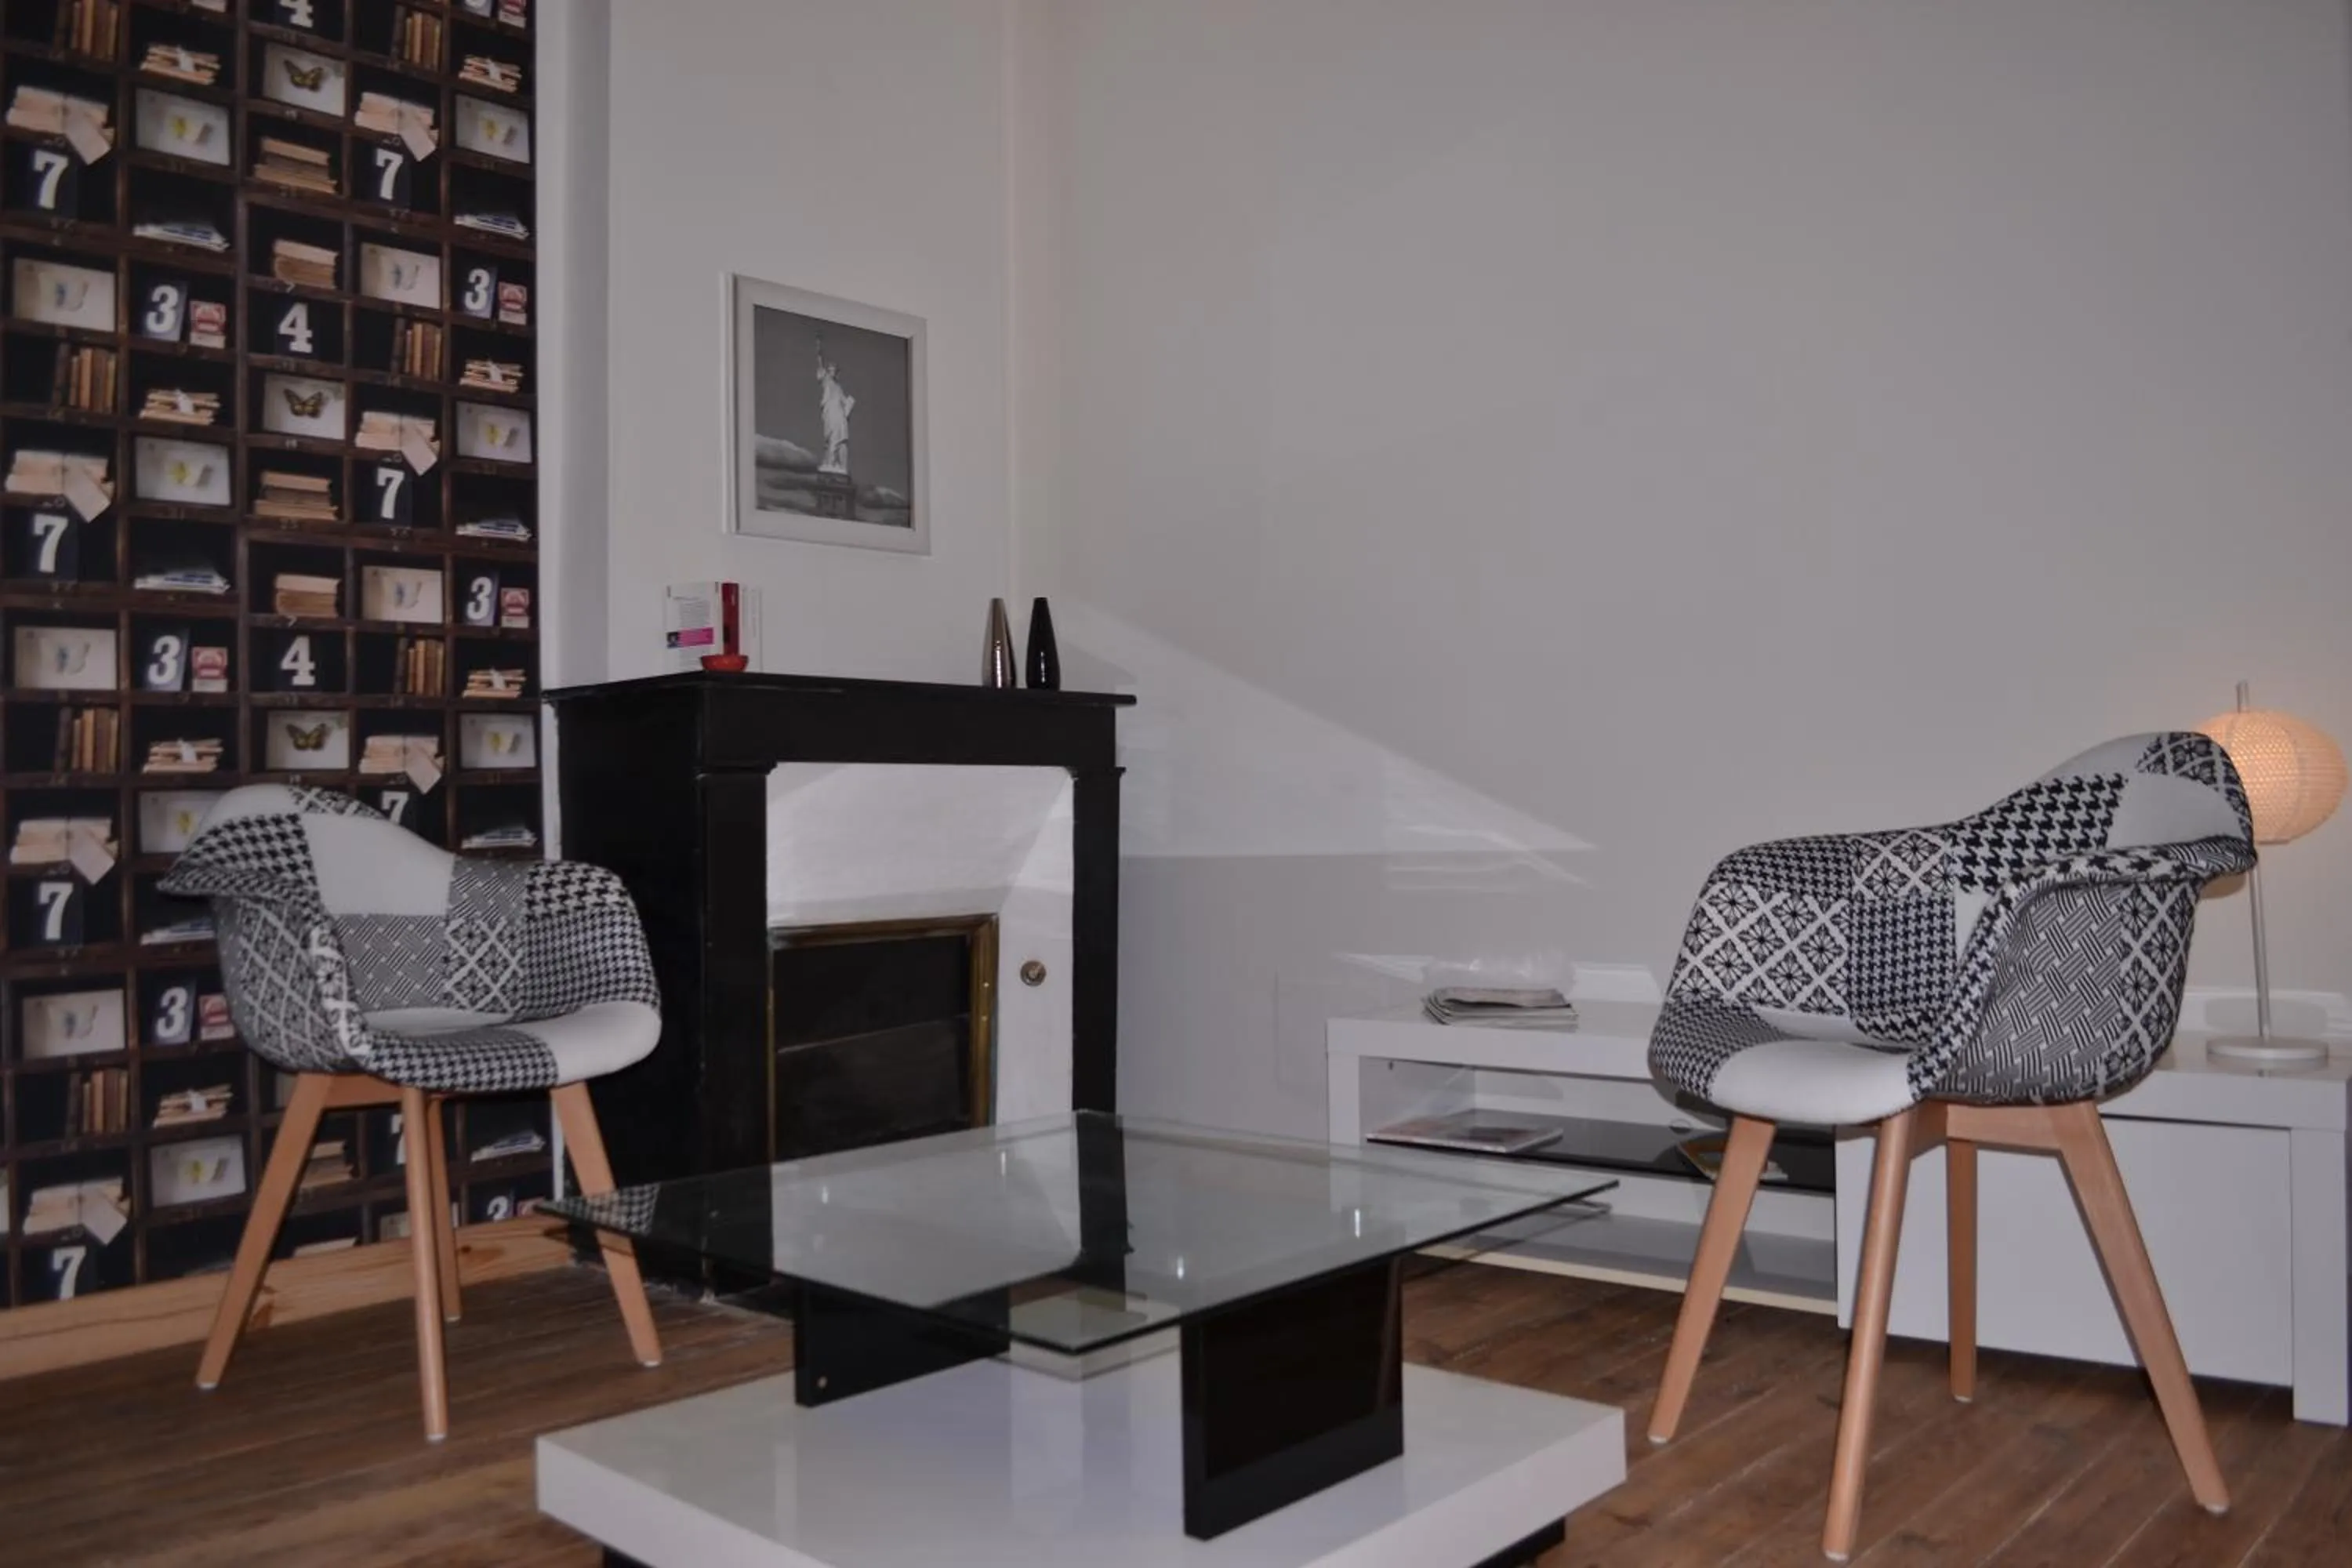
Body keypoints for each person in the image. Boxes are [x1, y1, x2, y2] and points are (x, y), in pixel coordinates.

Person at [815, 341, 855, 475]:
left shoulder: (839, 388)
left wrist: (850, 402)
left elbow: (846, 403)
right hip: (830, 411)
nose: (833, 371)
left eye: (835, 370)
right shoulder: (826, 380)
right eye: (831, 369)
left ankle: (840, 465)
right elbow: (820, 364)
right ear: (828, 371)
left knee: (842, 437)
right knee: (833, 435)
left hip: (840, 414)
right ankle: (830, 462)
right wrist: (819, 351)